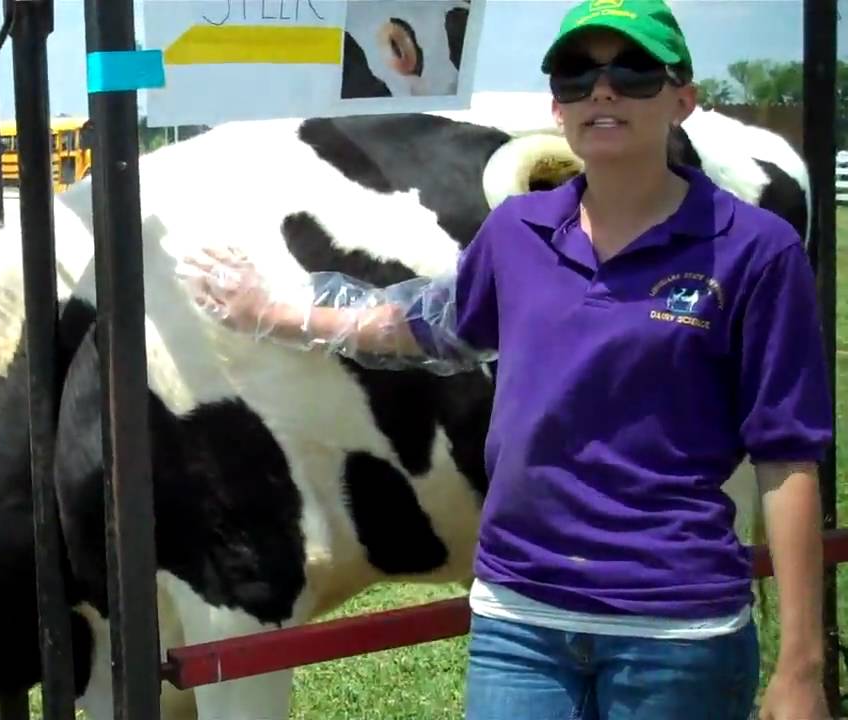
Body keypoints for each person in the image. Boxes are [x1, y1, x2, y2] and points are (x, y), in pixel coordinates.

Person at [175, 1, 833, 719]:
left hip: (673, 629)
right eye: (577, 74)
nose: (603, 91)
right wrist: (278, 312)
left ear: (683, 98)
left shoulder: (755, 251)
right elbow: (428, 327)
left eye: (635, 71)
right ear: (557, 106)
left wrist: (800, 666)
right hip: (520, 623)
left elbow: (787, 458)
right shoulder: (520, 229)